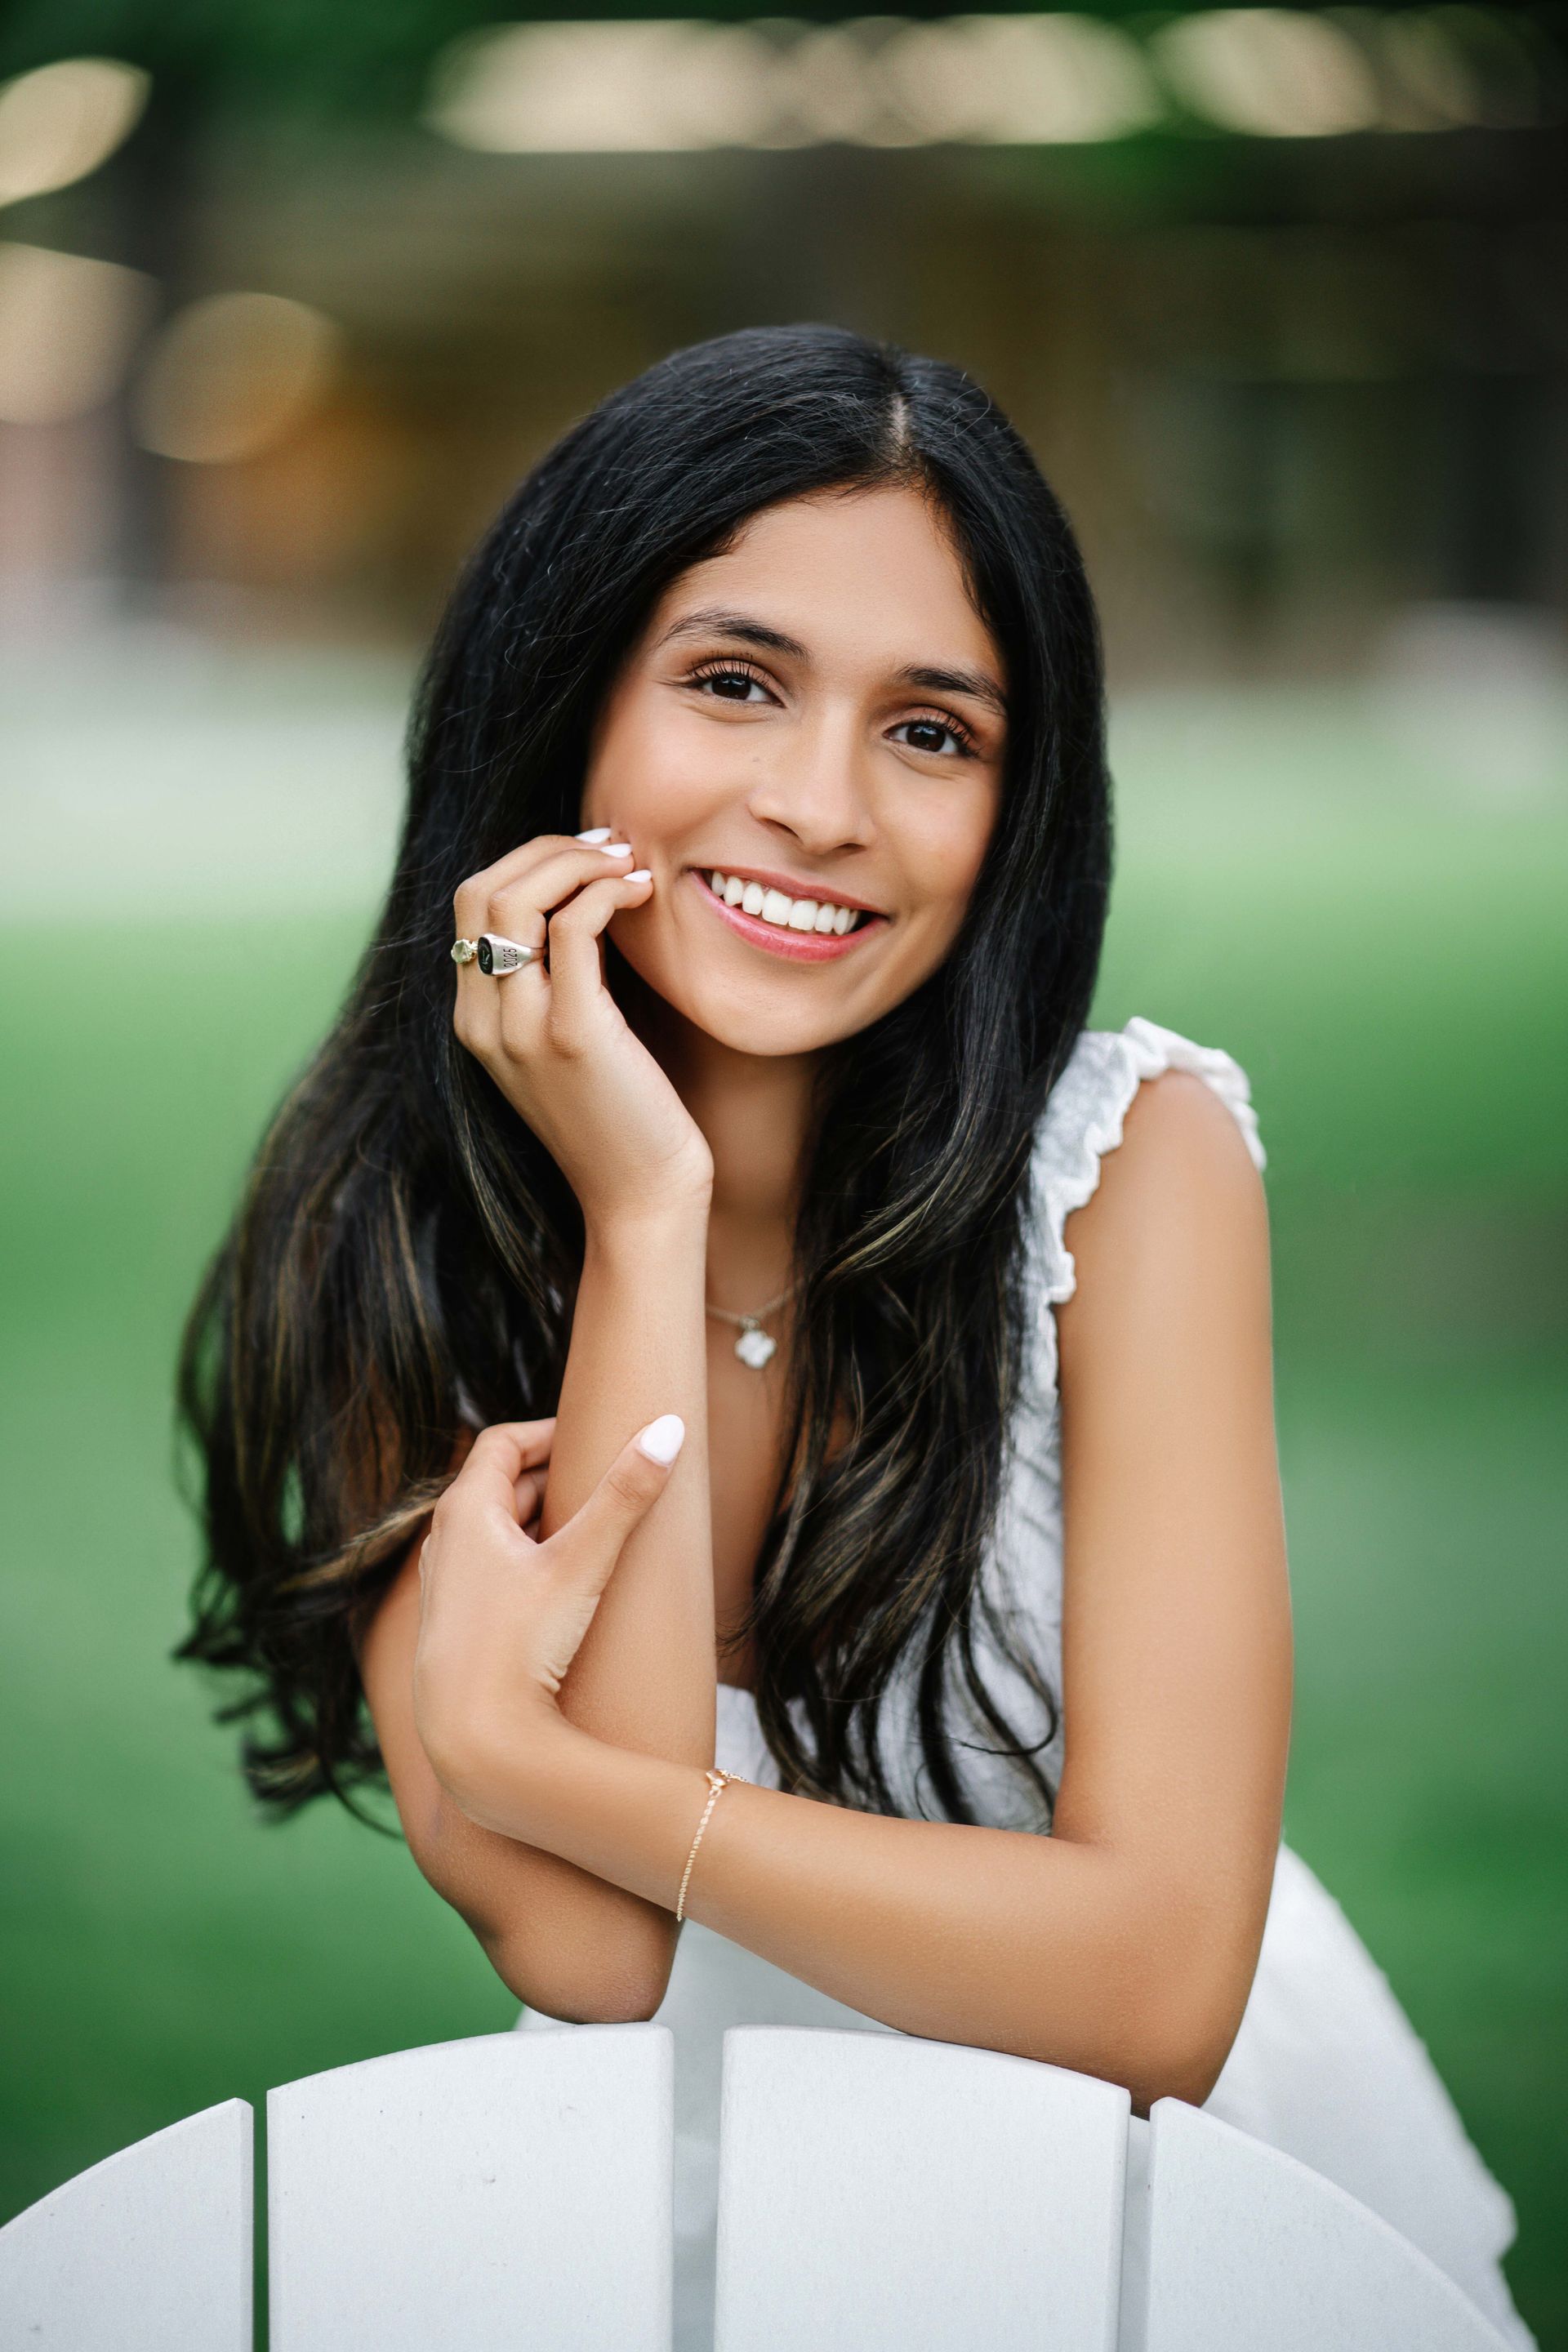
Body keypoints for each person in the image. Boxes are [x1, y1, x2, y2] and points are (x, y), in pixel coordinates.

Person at [176, 324, 1533, 2350]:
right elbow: (591, 1950)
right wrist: (647, 1212)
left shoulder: (1131, 1166)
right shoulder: (405, 1227)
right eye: (734, 684)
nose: (819, 805)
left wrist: (552, 1765)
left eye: (934, 731)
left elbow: (1155, 1992)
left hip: (1191, 2220)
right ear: (564, 706)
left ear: (1016, 805)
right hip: (708, 2215)